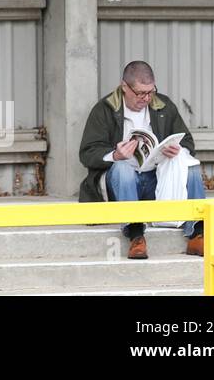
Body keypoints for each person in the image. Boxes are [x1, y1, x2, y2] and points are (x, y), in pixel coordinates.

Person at [78, 60, 205, 259]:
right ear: (124, 87)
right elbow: (87, 153)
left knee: (191, 167)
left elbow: (188, 141)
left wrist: (178, 149)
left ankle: (197, 233)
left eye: (150, 91)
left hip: (157, 179)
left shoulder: (163, 105)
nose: (146, 98)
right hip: (123, 184)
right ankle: (136, 235)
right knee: (122, 168)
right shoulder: (104, 109)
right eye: (140, 93)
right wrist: (115, 155)